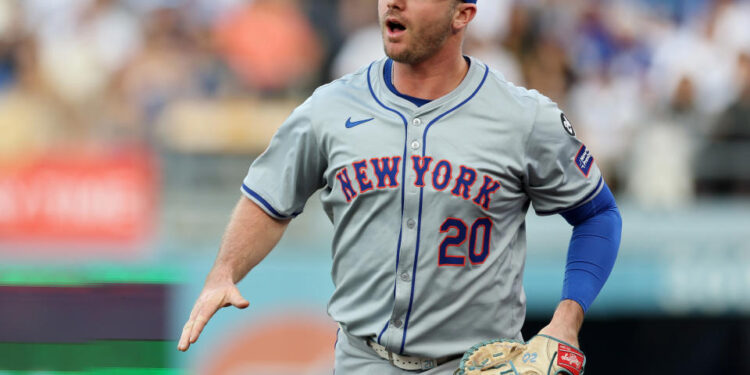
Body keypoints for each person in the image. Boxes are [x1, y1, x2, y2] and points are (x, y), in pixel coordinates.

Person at [178, 1, 622, 374]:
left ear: (461, 15)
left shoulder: (523, 117)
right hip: (362, 359)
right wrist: (225, 270)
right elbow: (269, 200)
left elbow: (597, 213)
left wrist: (568, 317)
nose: (393, 1)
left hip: (476, 364)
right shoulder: (330, 108)